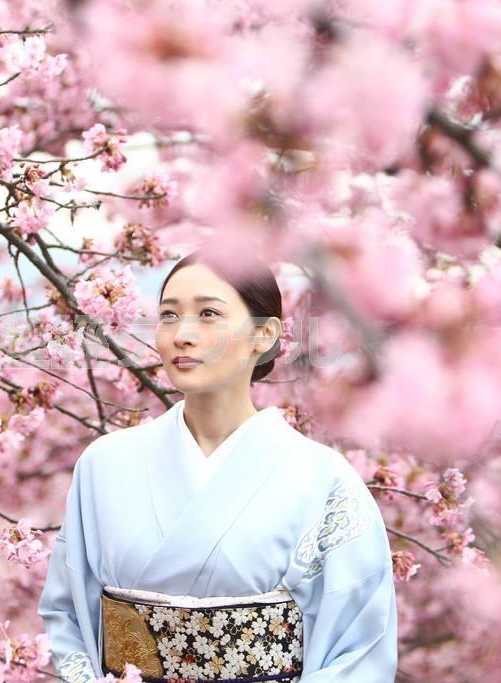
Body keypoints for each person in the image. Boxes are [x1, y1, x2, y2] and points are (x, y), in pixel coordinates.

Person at [38, 246, 398, 682]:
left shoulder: (324, 480)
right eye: (169, 315)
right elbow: (67, 615)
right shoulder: (103, 465)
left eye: (208, 314)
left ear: (264, 335)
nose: (181, 334)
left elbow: (360, 647)